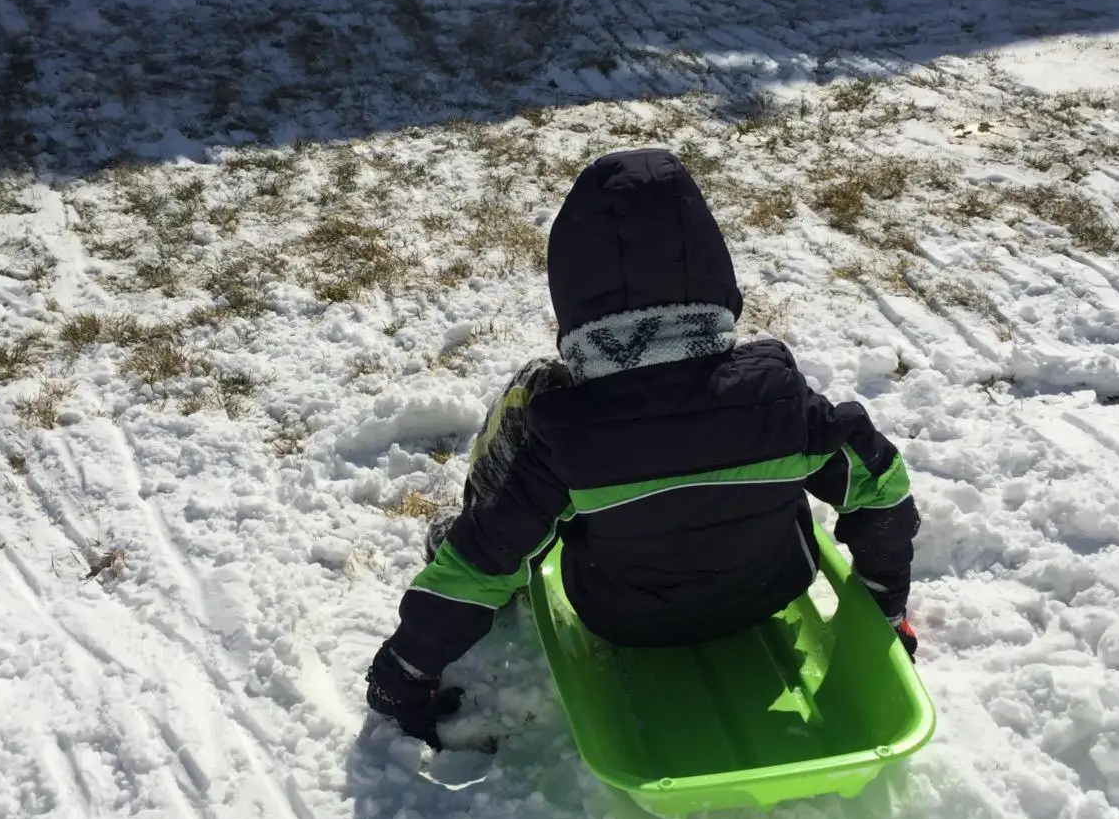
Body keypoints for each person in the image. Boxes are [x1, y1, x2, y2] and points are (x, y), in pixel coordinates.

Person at [367, 147, 920, 749]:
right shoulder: (781, 402)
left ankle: (477, 509)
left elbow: (482, 562)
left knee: (531, 391)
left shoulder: (568, 435)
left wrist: (406, 669)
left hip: (624, 618)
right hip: (767, 594)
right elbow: (883, 492)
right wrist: (884, 608)